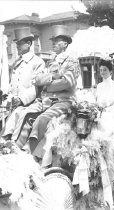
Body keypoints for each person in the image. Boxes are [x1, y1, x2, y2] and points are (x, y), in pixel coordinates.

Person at [15, 25, 80, 156]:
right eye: (53, 41)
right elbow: (37, 79)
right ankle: (17, 147)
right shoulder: (51, 61)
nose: (53, 43)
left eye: (56, 41)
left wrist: (47, 85)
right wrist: (52, 77)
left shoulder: (72, 60)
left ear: (65, 44)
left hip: (64, 101)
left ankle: (33, 153)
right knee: (26, 114)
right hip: (46, 100)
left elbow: (67, 82)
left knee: (42, 119)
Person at [1, 27, 45, 140]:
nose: (17, 47)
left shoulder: (38, 62)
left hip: (30, 103)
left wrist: (21, 99)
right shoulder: (16, 62)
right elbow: (13, 84)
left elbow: (37, 87)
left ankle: (11, 143)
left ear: (29, 44)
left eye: (19, 44)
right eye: (16, 44)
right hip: (14, 103)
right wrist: (10, 97)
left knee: (17, 117)